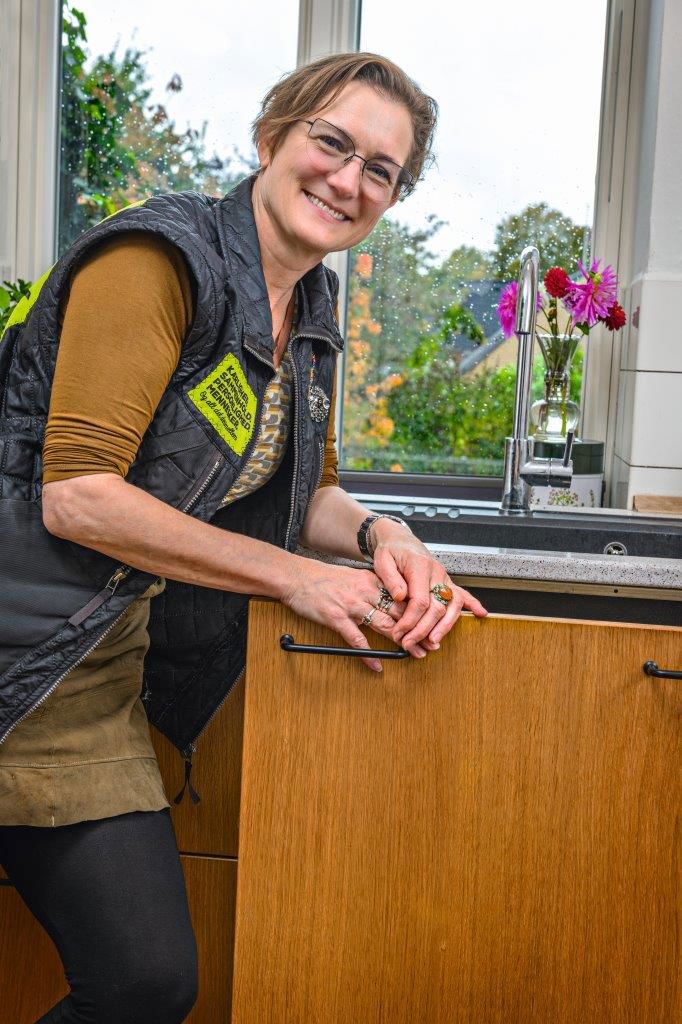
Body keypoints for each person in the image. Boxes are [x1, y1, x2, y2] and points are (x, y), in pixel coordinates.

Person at [0, 52, 487, 1023]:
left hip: (91, 663)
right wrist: (294, 579)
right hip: (21, 640)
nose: (346, 180)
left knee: (144, 983)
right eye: (330, 142)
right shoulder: (157, 261)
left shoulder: (308, 308)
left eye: (380, 170)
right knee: (143, 979)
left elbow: (307, 488)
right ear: (272, 137)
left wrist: (383, 536)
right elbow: (80, 497)